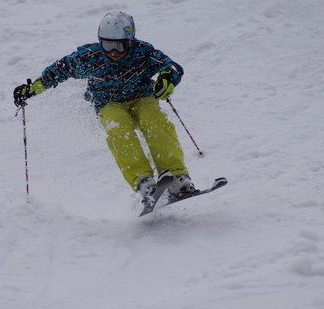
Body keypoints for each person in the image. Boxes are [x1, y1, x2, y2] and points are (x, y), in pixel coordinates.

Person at [13, 11, 197, 204]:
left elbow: (171, 66)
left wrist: (167, 78)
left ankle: (177, 177)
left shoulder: (143, 52)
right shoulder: (91, 56)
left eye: (120, 45)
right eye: (108, 45)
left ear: (131, 41)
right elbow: (60, 70)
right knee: (119, 128)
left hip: (142, 97)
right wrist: (32, 89)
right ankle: (143, 181)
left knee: (155, 122)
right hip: (108, 103)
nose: (113, 52)